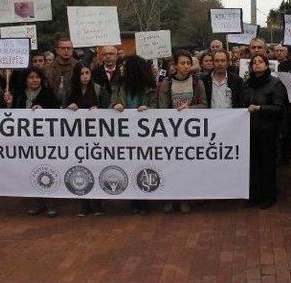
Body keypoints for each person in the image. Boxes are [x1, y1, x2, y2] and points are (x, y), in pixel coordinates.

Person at [4, 67, 60, 217]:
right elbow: (11, 116)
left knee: (46, 169)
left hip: (45, 141)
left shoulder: (48, 94)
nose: (34, 80)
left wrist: (44, 110)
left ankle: (50, 202)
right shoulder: (18, 95)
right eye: (31, 77)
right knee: (31, 170)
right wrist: (8, 104)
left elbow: (57, 113)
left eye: (37, 77)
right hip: (26, 142)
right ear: (25, 80)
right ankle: (37, 202)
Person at [158, 50, 207, 213]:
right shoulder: (167, 82)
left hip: (191, 133)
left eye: (188, 63)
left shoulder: (197, 82)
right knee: (170, 166)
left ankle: (185, 197)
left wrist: (190, 108)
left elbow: (205, 105)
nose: (186, 66)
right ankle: (170, 198)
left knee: (186, 167)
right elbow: (162, 107)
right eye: (182, 63)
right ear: (175, 65)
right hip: (171, 132)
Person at [111, 55, 158, 215]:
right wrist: (115, 105)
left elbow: (156, 106)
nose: (122, 68)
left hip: (144, 134)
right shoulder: (119, 85)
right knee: (130, 165)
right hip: (125, 134)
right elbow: (112, 101)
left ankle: (144, 199)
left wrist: (148, 109)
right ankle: (134, 199)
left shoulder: (149, 87)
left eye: (125, 65)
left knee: (144, 166)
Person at [64, 62, 110, 217]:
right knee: (79, 170)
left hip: (97, 139)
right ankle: (83, 203)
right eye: (81, 74)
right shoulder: (70, 90)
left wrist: (100, 110)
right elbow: (61, 110)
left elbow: (109, 109)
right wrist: (69, 107)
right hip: (76, 139)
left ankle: (97, 204)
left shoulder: (98, 89)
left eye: (87, 73)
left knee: (96, 169)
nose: (84, 77)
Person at [241, 53, 287, 209]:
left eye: (261, 62)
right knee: (252, 164)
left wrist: (260, 108)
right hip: (250, 131)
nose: (257, 64)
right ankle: (253, 196)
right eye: (254, 62)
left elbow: (279, 108)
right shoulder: (247, 84)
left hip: (267, 131)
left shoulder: (275, 84)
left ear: (267, 65)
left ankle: (268, 196)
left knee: (266, 164)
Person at [45, 38, 77, 103]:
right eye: (63, 48)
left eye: (69, 48)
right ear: (57, 50)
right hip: (52, 105)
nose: (66, 50)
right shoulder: (48, 68)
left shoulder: (78, 66)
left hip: (73, 105)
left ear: (72, 50)